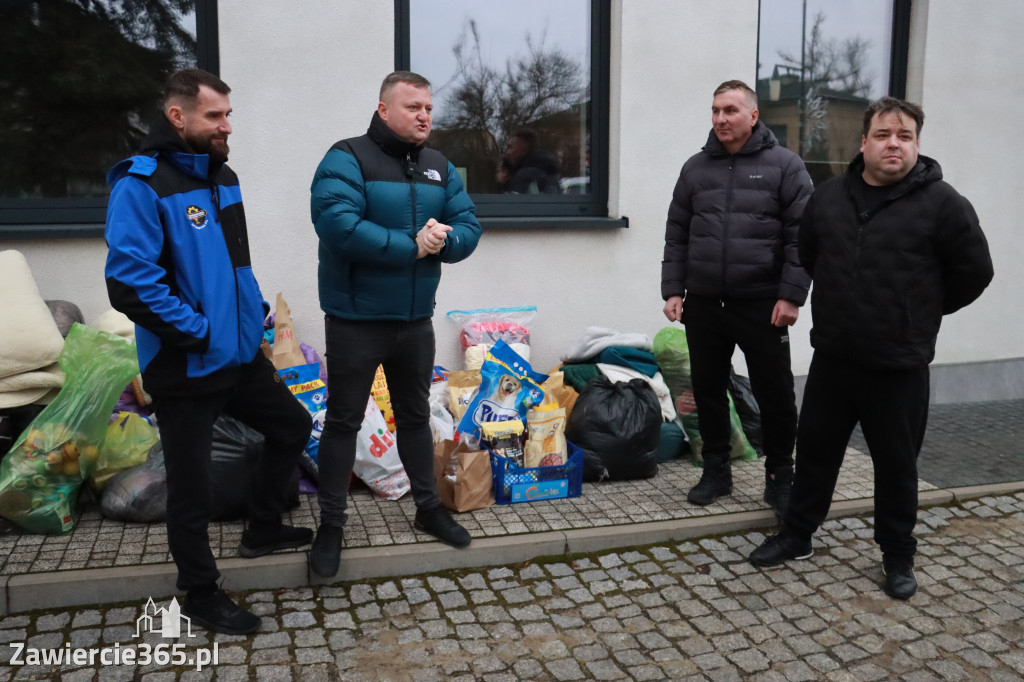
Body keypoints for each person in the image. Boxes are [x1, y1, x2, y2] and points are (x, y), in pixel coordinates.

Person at [748, 97, 993, 600]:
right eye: (883, 135)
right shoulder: (829, 198)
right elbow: (809, 253)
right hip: (834, 359)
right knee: (815, 454)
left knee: (897, 467)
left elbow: (975, 272)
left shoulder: (943, 204)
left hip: (898, 366)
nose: (893, 144)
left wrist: (919, 311)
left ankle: (897, 553)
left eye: (904, 136)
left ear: (917, 145)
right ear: (864, 143)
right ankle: (798, 534)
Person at [105, 69, 313, 634]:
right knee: (191, 490)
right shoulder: (141, 184)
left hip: (238, 354)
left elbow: (235, 266)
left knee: (292, 427)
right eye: (214, 116)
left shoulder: (224, 177)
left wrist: (251, 318)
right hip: (186, 364)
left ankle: (262, 528)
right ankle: (199, 592)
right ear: (178, 116)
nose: (227, 127)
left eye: (228, 115)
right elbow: (130, 283)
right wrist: (198, 332)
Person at [309, 71, 482, 578]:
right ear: (384, 110)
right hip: (355, 320)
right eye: (413, 107)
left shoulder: (439, 166)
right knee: (343, 422)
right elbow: (338, 224)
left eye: (428, 107)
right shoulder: (346, 157)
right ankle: (331, 525)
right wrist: (412, 246)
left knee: (413, 417)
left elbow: (469, 225)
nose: (424, 115)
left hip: (414, 320)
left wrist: (444, 241)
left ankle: (428, 509)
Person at [661, 80, 812, 514]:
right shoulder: (695, 169)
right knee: (708, 390)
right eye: (715, 110)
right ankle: (716, 471)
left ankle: (780, 474)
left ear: (753, 115)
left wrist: (791, 295)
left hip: (763, 304)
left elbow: (802, 236)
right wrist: (673, 289)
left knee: (775, 393)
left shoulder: (785, 166)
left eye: (730, 110)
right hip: (705, 303)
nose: (721, 119)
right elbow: (677, 234)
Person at [498, 128, 560, 194]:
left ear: (524, 150)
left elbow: (512, 200)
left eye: (510, 147)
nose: (507, 152)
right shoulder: (549, 173)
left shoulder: (524, 176)